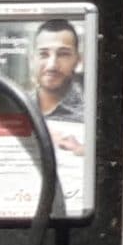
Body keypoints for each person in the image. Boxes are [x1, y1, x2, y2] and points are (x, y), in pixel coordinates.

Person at [29, 18, 86, 160]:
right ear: (32, 60)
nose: (52, 65)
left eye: (63, 54)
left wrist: (86, 151)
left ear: (78, 60)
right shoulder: (18, 106)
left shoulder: (91, 111)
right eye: (44, 54)